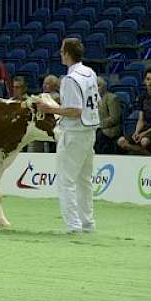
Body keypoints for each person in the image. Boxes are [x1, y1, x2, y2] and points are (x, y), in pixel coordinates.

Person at [37, 38, 100, 234]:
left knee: (67, 181)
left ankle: (74, 225)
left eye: (62, 50)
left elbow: (75, 110)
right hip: (89, 131)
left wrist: (50, 108)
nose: (60, 53)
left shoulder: (70, 79)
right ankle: (87, 223)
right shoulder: (90, 72)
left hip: (74, 132)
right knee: (84, 180)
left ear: (66, 54)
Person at [117, 68, 151, 156]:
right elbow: (141, 119)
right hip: (145, 127)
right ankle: (141, 152)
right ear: (144, 81)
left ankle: (140, 152)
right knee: (121, 141)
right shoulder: (142, 97)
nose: (150, 82)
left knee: (144, 141)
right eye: (148, 79)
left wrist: (144, 133)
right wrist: (137, 132)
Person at [94, 77, 122, 154]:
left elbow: (114, 118)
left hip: (110, 128)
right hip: (95, 127)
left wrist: (99, 124)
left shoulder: (112, 98)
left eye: (98, 85)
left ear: (104, 87)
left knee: (98, 136)